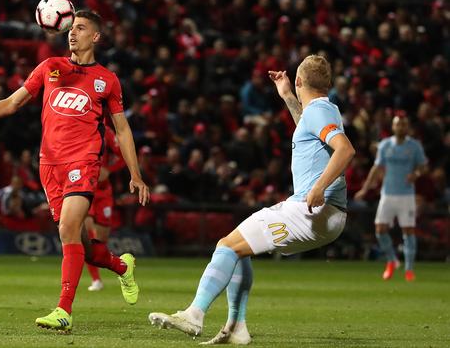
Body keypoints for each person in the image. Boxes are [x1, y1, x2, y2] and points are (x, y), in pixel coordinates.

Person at [0, 10, 150, 332]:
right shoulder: (50, 68)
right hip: (48, 165)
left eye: (81, 28)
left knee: (68, 230)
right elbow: (13, 103)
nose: (73, 33)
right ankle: (121, 265)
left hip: (83, 161)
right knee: (80, 244)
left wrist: (134, 174)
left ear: (95, 37)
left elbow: (122, 130)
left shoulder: (106, 80)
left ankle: (63, 310)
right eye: (71, 28)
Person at [148, 55, 355, 345]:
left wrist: (319, 187)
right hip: (328, 215)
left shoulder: (318, 112)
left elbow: (345, 150)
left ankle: (194, 314)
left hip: (313, 208)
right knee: (238, 248)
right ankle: (236, 327)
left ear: (299, 81)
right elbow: (307, 125)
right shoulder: (323, 109)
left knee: (225, 246)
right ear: (328, 84)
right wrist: (286, 96)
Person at [355, 114, 427, 281]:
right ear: (393, 127)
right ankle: (392, 260)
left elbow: (423, 166)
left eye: (403, 125)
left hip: (406, 195)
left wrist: (416, 174)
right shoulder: (385, 145)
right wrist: (365, 189)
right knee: (380, 230)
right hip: (387, 193)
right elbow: (376, 168)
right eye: (398, 125)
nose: (401, 127)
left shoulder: (414, 146)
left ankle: (409, 269)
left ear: (407, 127)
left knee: (408, 231)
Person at [85, 125, 127, 292]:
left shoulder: (106, 131)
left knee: (100, 240)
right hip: (84, 187)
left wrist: (109, 169)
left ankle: (120, 266)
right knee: (85, 235)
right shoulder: (79, 125)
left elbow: (123, 155)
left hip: (103, 191)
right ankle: (96, 280)